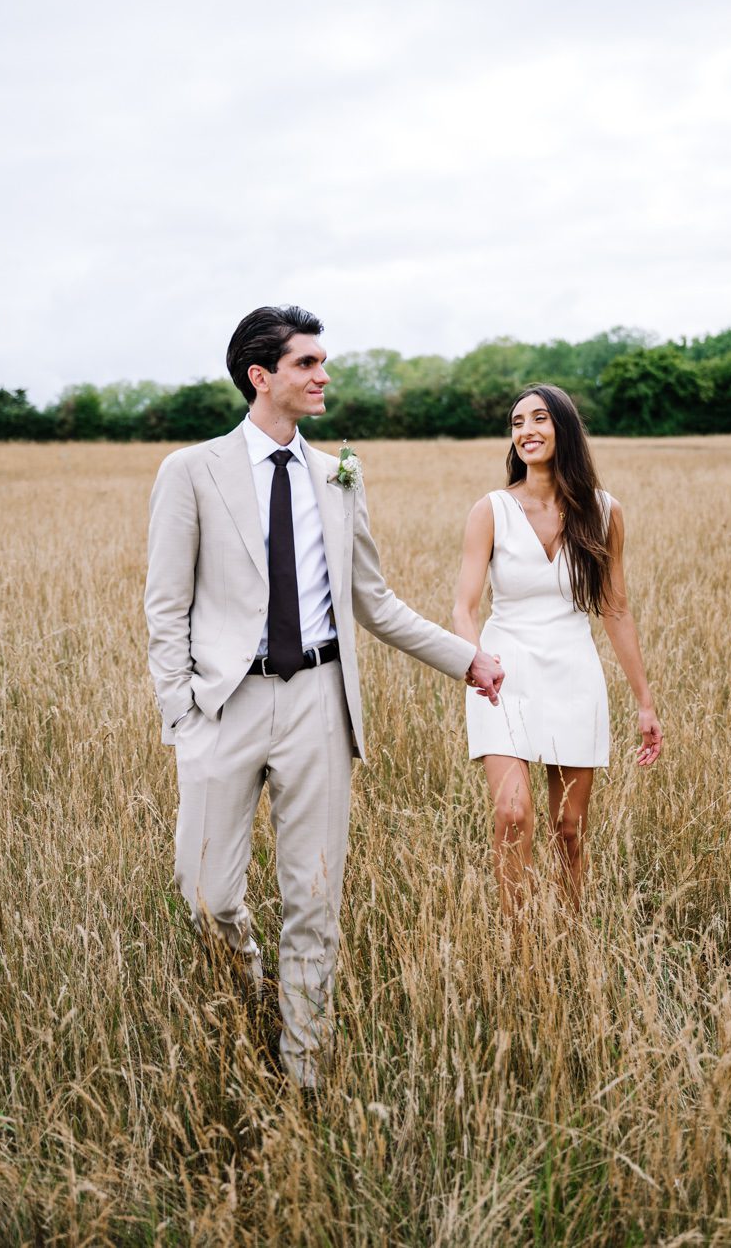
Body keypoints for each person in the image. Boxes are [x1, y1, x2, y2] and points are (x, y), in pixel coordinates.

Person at [144, 305, 504, 1090]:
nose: (324, 375)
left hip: (319, 703)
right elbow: (165, 606)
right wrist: (182, 716)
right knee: (206, 897)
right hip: (224, 707)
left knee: (313, 901)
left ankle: (305, 1073)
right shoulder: (192, 471)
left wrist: (468, 659)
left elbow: (373, 602)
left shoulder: (340, 475)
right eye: (308, 363)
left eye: (322, 362)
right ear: (261, 376)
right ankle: (252, 998)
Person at [453, 384, 662, 911]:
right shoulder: (491, 510)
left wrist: (644, 701)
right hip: (502, 676)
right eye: (517, 422)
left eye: (539, 419)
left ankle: (567, 941)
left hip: (574, 674)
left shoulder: (604, 511)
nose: (526, 430)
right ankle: (518, 949)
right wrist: (475, 661)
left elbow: (615, 608)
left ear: (563, 427)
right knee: (513, 814)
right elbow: (464, 607)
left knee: (568, 828)